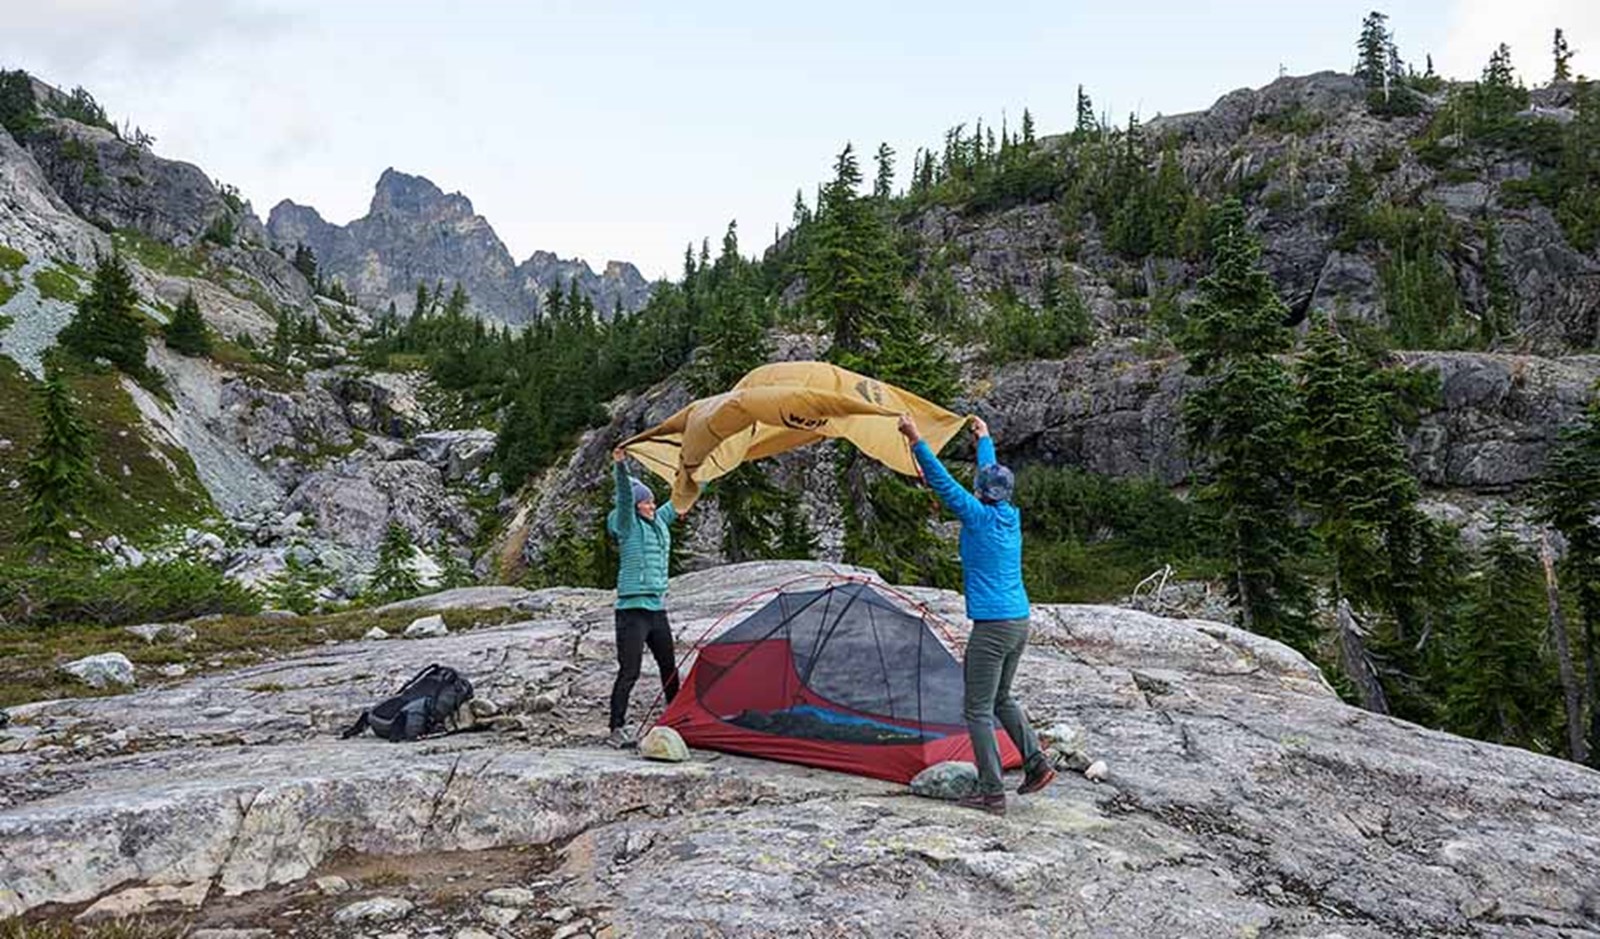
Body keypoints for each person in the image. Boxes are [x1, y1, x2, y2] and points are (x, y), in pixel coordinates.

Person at [898, 413, 1055, 815]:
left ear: (981, 493)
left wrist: (916, 438)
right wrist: (984, 438)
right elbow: (990, 475)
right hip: (1019, 622)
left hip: (993, 627)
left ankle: (991, 793)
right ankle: (1036, 763)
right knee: (1002, 697)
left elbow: (943, 483)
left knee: (977, 709)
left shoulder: (977, 516)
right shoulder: (1008, 517)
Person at [605, 446, 684, 748]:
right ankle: (616, 727)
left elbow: (680, 497)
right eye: (647, 502)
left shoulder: (660, 521)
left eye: (653, 501)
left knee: (669, 666)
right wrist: (620, 466)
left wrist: (704, 470)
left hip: (656, 608)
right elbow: (624, 495)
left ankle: (676, 716)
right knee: (630, 671)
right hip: (632, 611)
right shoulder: (625, 523)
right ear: (637, 505)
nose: (652, 505)